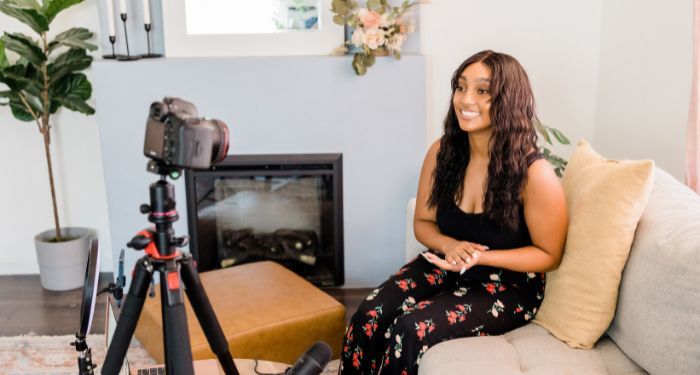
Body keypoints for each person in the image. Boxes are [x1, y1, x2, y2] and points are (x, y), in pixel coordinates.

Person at [339, 50, 568, 375]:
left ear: (509, 99)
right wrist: (450, 246)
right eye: (460, 87)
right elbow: (423, 223)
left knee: (410, 328)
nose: (465, 99)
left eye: (482, 90)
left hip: (507, 284)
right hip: (444, 264)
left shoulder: (535, 173)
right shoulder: (441, 152)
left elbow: (549, 254)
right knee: (369, 313)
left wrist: (480, 258)